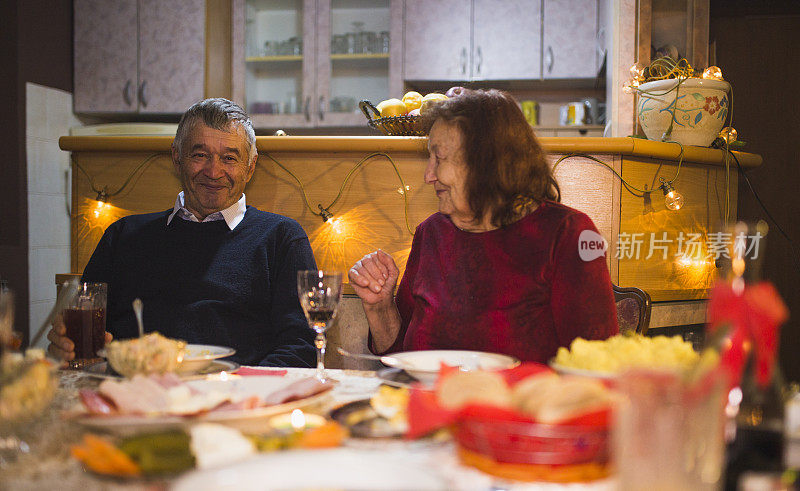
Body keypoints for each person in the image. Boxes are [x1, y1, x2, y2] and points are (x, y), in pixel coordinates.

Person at [349, 89, 618, 363]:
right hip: (430, 402)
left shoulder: (567, 234)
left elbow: (596, 366)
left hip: (522, 404)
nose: (428, 175)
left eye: (439, 158)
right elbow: (404, 358)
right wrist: (380, 308)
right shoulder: (431, 233)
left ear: (485, 161)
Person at [48, 98, 316, 367]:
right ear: (176, 157)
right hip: (139, 397)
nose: (213, 171)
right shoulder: (122, 236)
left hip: (235, 400)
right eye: (200, 155)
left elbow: (301, 350)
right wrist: (67, 349)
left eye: (229, 158)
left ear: (251, 166)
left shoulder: (282, 238)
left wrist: (233, 393)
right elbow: (83, 343)